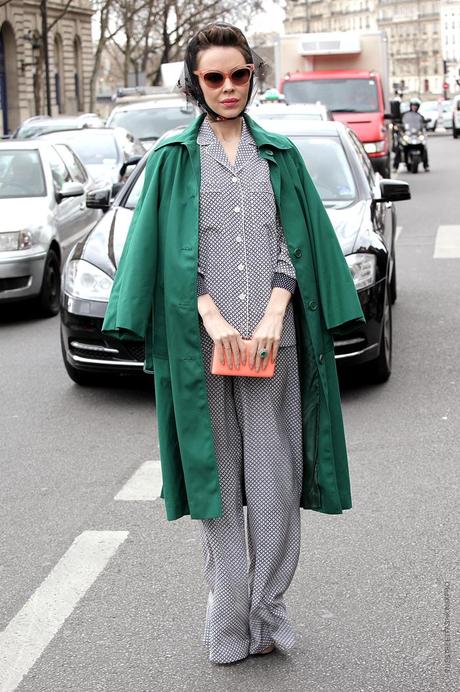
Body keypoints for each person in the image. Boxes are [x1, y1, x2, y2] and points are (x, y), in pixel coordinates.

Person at [101, 23, 365, 665]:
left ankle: (269, 614)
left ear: (254, 75)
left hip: (275, 342)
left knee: (276, 477)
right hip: (201, 352)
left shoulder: (279, 155)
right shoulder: (171, 157)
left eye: (238, 74)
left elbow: (295, 240)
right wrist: (212, 318)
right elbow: (165, 251)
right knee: (217, 484)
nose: (227, 87)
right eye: (213, 77)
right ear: (195, 83)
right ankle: (226, 625)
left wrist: (276, 309)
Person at [394, 97, 430, 171]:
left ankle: (426, 165)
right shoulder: (404, 115)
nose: (414, 107)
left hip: (416, 135)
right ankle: (395, 166)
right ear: (410, 106)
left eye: (416, 106)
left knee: (424, 147)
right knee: (399, 147)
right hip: (407, 135)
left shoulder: (420, 116)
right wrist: (398, 125)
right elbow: (399, 123)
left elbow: (423, 125)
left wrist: (425, 124)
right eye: (413, 105)